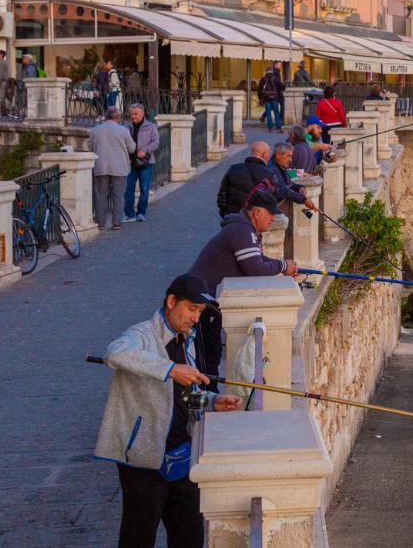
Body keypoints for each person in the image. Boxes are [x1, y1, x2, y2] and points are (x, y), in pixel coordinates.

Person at [96, 274, 241, 548]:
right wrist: (168, 369)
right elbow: (116, 353)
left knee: (189, 539)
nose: (195, 318)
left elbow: (186, 400)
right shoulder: (141, 334)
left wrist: (213, 402)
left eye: (200, 312)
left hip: (180, 455)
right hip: (143, 461)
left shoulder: (188, 342)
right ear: (171, 301)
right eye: (191, 309)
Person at [186, 188, 299, 377]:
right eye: (271, 215)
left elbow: (260, 260)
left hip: (208, 299)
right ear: (257, 213)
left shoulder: (245, 229)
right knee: (208, 355)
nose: (272, 220)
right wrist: (282, 266)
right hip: (201, 302)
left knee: (211, 352)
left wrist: (284, 265)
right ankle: (207, 396)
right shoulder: (241, 231)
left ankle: (209, 393)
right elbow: (255, 268)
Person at [216, 141, 312, 221]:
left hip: (232, 218)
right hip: (253, 219)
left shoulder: (233, 168)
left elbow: (222, 196)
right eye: (288, 156)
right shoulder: (268, 172)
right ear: (266, 155)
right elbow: (281, 190)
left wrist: (225, 214)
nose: (291, 159)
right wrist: (303, 199)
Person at [90, 106, 135, 231]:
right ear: (118, 117)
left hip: (101, 166)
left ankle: (101, 223)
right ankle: (117, 222)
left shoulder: (95, 130)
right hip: (119, 168)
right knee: (118, 196)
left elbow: (90, 147)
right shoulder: (123, 130)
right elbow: (132, 148)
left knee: (100, 196)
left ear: (106, 116)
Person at [123, 104, 160, 223]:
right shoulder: (126, 126)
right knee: (128, 189)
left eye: (136, 114)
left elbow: (156, 142)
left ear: (142, 113)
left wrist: (145, 150)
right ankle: (129, 213)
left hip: (145, 162)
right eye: (131, 114)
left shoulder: (151, 126)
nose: (133, 116)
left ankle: (141, 213)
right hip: (130, 162)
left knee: (144, 188)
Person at [257, 65, 285, 131]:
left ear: (266, 71)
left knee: (268, 113)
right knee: (276, 112)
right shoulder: (275, 78)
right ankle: (278, 127)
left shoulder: (263, 79)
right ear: (272, 71)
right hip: (275, 98)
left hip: (267, 98)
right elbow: (282, 87)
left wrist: (260, 98)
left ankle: (270, 128)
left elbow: (259, 89)